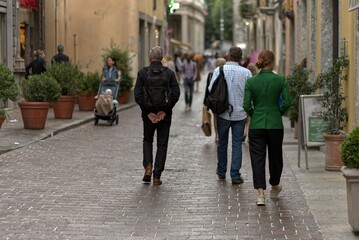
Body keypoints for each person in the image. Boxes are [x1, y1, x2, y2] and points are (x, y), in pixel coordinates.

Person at [243, 50, 291, 206]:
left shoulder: (251, 81)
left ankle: (260, 193)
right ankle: (274, 184)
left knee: (257, 158)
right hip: (275, 124)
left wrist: (255, 114)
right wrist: (278, 113)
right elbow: (287, 103)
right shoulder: (281, 80)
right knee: (275, 157)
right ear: (272, 62)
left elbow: (246, 105)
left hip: (256, 124)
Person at [134, 46, 180, 185]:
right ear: (162, 58)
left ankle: (148, 166)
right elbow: (176, 94)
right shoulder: (169, 73)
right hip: (164, 115)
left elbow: (138, 95)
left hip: (148, 114)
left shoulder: (143, 73)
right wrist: (164, 111)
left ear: (150, 57)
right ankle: (157, 176)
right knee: (162, 144)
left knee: (148, 140)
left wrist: (148, 112)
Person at [208, 46, 252, 184]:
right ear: (240, 58)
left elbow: (211, 89)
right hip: (240, 113)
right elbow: (250, 94)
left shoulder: (219, 70)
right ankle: (235, 175)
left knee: (222, 142)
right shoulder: (246, 73)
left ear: (228, 56)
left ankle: (221, 171)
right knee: (237, 144)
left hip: (223, 112)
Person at [203, 57, 226, 144]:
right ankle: (221, 135)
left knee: (215, 117)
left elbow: (207, 89)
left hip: (214, 100)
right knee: (223, 117)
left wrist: (206, 102)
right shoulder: (226, 74)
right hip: (224, 100)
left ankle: (217, 135)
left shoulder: (211, 74)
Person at [242, 63, 258, 142]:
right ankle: (248, 134)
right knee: (251, 119)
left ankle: (245, 132)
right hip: (253, 101)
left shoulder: (245, 77)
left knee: (245, 120)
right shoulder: (256, 78)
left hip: (246, 100)